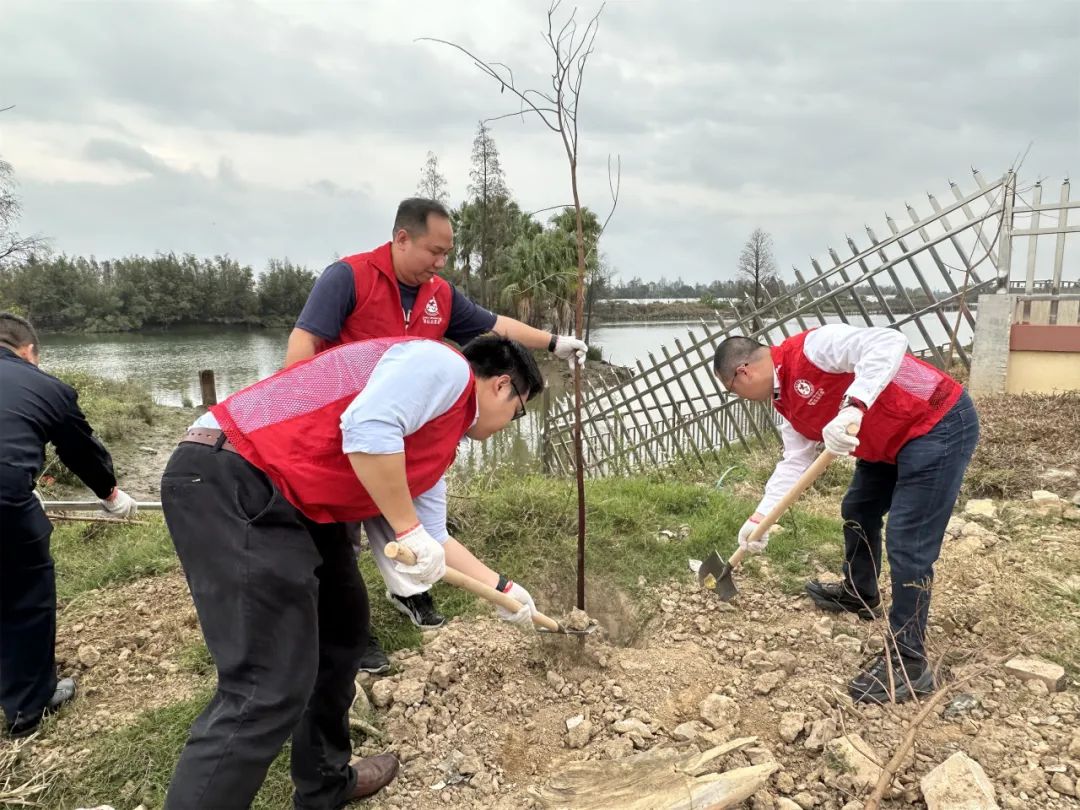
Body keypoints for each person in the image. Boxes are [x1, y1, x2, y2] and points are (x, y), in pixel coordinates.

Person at [159, 334, 545, 810]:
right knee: (266, 684)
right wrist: (406, 527)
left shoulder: (436, 440)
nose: (511, 424)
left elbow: (433, 537)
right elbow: (368, 426)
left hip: (302, 501)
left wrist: (505, 590)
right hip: (234, 471)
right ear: (502, 386)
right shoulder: (445, 367)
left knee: (343, 635)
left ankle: (324, 783)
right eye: (519, 411)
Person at [284, 197, 587, 672]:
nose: (441, 263)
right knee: (338, 538)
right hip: (345, 428)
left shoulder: (438, 295)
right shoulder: (348, 277)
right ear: (401, 238)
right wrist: (295, 414)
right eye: (434, 251)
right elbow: (304, 342)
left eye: (448, 253)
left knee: (412, 527)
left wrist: (552, 342)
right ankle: (345, 636)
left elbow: (497, 328)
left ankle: (409, 595)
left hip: (404, 431)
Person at [713, 324, 979, 704]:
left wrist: (853, 406)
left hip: (935, 422)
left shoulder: (812, 348)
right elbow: (795, 461)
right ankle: (861, 593)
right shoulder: (783, 403)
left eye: (731, 390)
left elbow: (888, 342)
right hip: (883, 441)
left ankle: (909, 662)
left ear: (742, 372)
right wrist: (760, 517)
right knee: (858, 508)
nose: (737, 397)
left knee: (908, 541)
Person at [0, 312, 136, 738]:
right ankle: (29, 706)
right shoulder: (46, 387)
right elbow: (80, 451)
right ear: (29, 351)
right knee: (25, 599)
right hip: (5, 507)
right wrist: (112, 495)